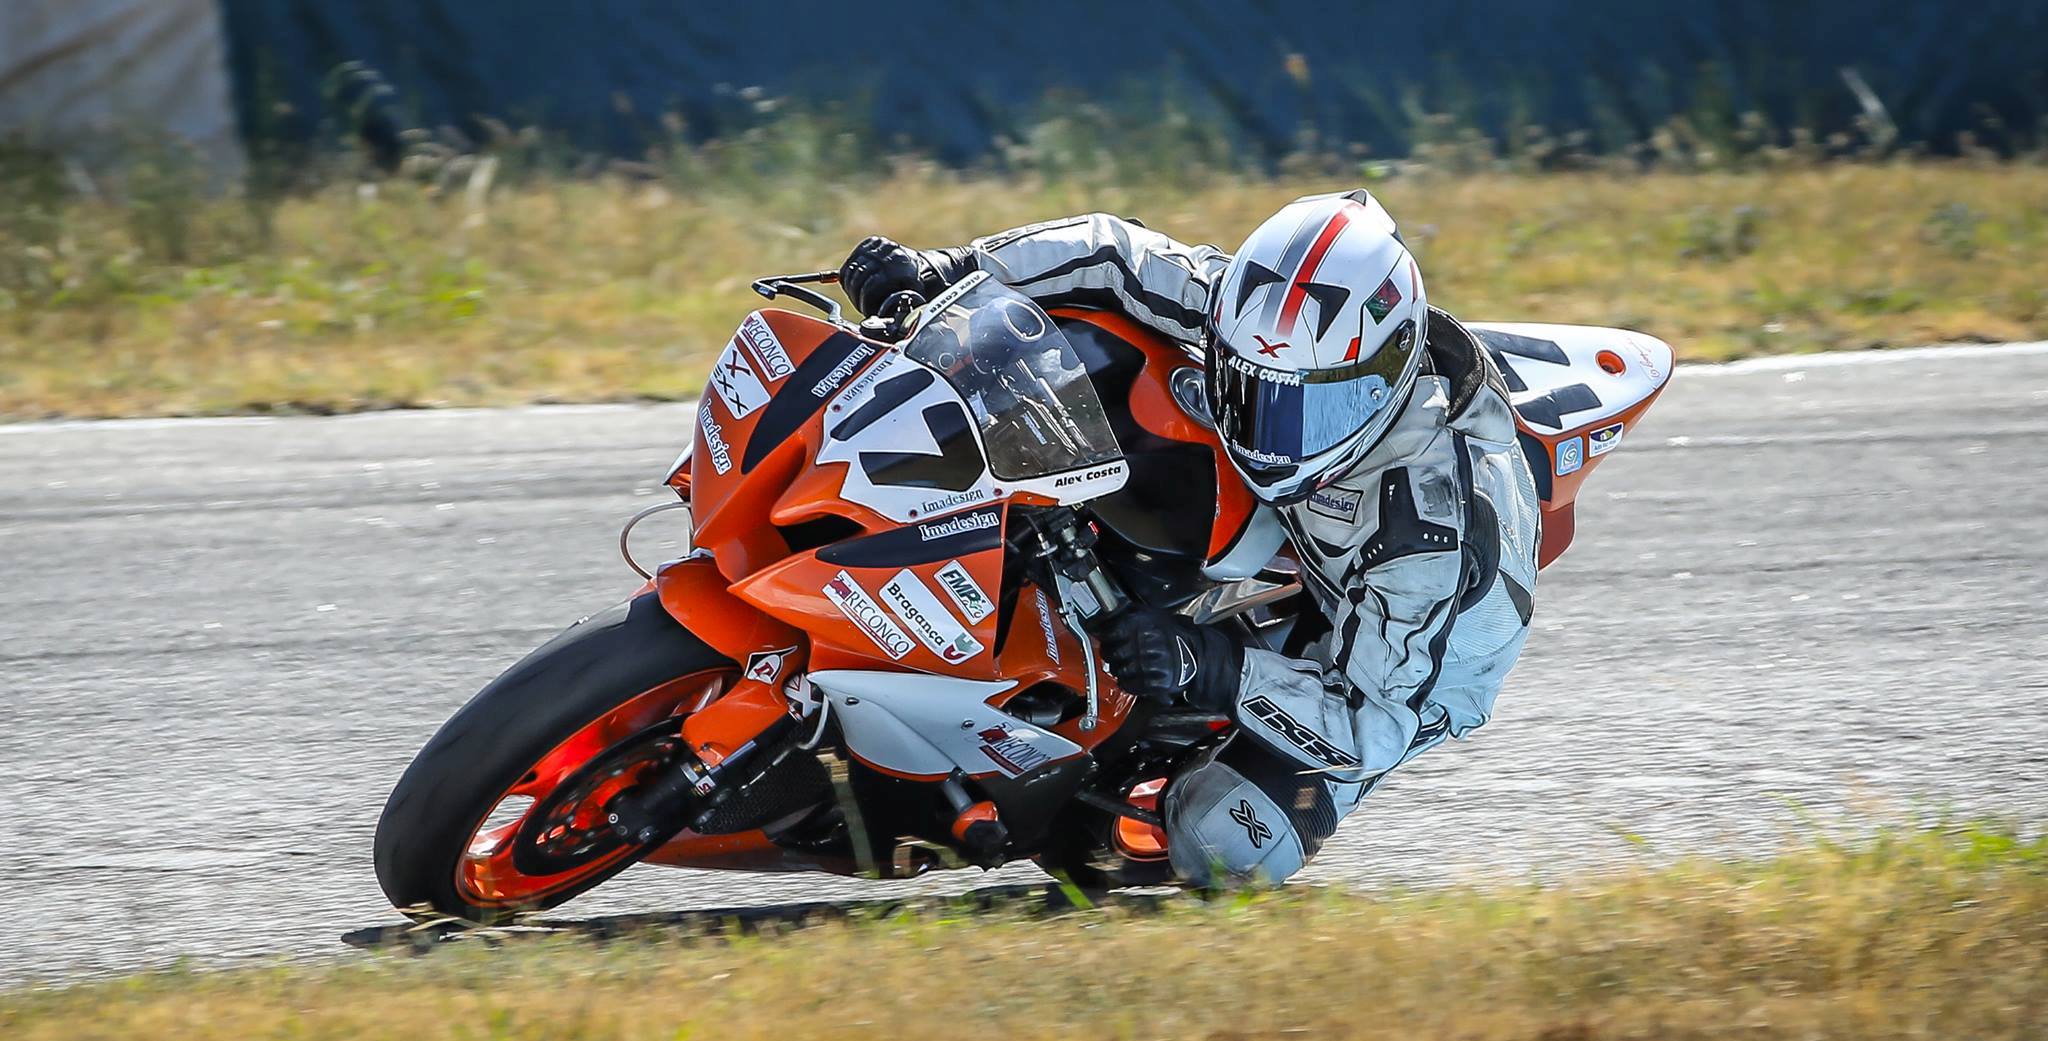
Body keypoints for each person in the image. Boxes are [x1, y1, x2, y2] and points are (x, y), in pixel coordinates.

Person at [836, 191, 1541, 885]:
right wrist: (945, 270)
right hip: (1310, 524)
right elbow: (1110, 250)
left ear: (1382, 381)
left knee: (1220, 844)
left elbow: (1369, 723)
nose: (1274, 431)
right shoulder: (1264, 318)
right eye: (1256, 389)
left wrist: (1205, 661)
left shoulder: (1423, 534)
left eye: (1309, 407)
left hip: (1402, 669)